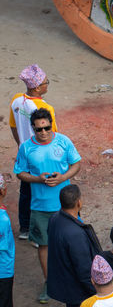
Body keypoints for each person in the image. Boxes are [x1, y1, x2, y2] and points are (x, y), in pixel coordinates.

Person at [13, 107, 80, 303]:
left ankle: (74, 279)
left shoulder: (64, 141)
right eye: (38, 129)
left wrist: (63, 178)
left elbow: (76, 164)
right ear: (33, 129)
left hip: (65, 204)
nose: (43, 133)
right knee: (44, 245)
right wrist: (38, 179)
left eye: (46, 128)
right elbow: (20, 173)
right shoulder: (26, 147)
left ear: (52, 124)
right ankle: (49, 282)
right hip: (40, 207)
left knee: (72, 243)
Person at [10, 63, 56, 239]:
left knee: (25, 190)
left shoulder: (16, 100)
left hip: (25, 150)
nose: (46, 85)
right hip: (42, 154)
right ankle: (41, 230)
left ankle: (25, 228)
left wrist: (20, 145)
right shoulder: (45, 109)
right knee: (42, 191)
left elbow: (13, 126)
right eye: (46, 82)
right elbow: (54, 135)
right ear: (37, 87)